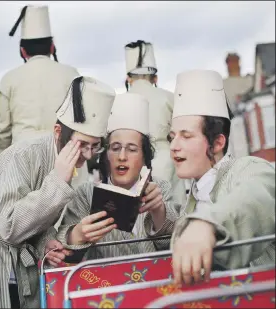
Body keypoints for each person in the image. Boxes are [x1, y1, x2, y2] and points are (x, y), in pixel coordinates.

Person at [0, 76, 116, 308]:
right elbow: (9, 226)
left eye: (95, 146)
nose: (87, 155)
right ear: (58, 131)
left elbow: (32, 218)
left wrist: (45, 241)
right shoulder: (27, 154)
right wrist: (57, 182)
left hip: (5, 246)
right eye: (81, 144)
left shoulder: (65, 163)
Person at [43, 93, 181, 266]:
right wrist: (77, 235)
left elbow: (174, 245)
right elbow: (63, 252)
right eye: (115, 148)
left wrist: (158, 211)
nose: (122, 156)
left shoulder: (160, 188)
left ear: (145, 156)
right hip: (105, 288)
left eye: (132, 149)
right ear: (106, 155)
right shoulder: (86, 194)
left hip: (154, 285)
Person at [168, 69, 275, 285]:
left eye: (186, 136)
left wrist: (206, 224)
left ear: (217, 143)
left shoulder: (247, 168)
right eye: (172, 137)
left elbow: (257, 195)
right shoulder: (193, 197)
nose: (174, 146)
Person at [0, 6, 89, 187]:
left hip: (23, 157)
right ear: (52, 47)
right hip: (67, 155)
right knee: (73, 212)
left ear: (23, 51)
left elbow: (0, 131)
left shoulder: (9, 79)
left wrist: (5, 163)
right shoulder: (71, 74)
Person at [124, 40, 187, 205]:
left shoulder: (120, 101)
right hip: (166, 157)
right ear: (155, 78)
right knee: (172, 205)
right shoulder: (168, 97)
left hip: (131, 159)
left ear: (128, 79)